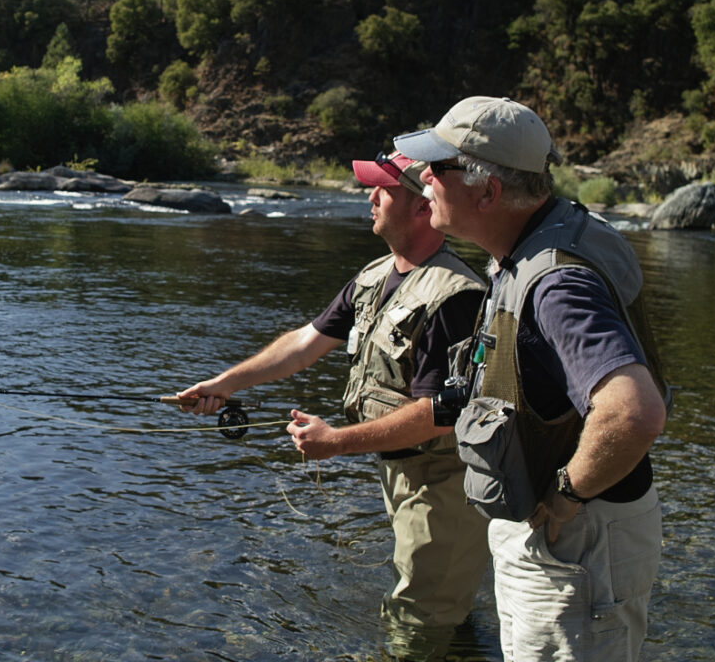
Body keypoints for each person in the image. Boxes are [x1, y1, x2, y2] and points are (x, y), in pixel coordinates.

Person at [178, 151, 490, 655]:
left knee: (417, 625)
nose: (369, 198)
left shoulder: (457, 296)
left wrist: (336, 443)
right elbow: (305, 343)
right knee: (439, 607)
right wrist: (226, 383)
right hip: (402, 473)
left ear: (419, 207)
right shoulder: (373, 277)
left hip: (444, 485)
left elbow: (440, 415)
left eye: (382, 190)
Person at [394, 96, 669, 662]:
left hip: (576, 540)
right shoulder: (558, 230)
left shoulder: (556, 284)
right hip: (574, 534)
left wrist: (566, 496)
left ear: (488, 192)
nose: (421, 181)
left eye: (436, 169)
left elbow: (633, 412)